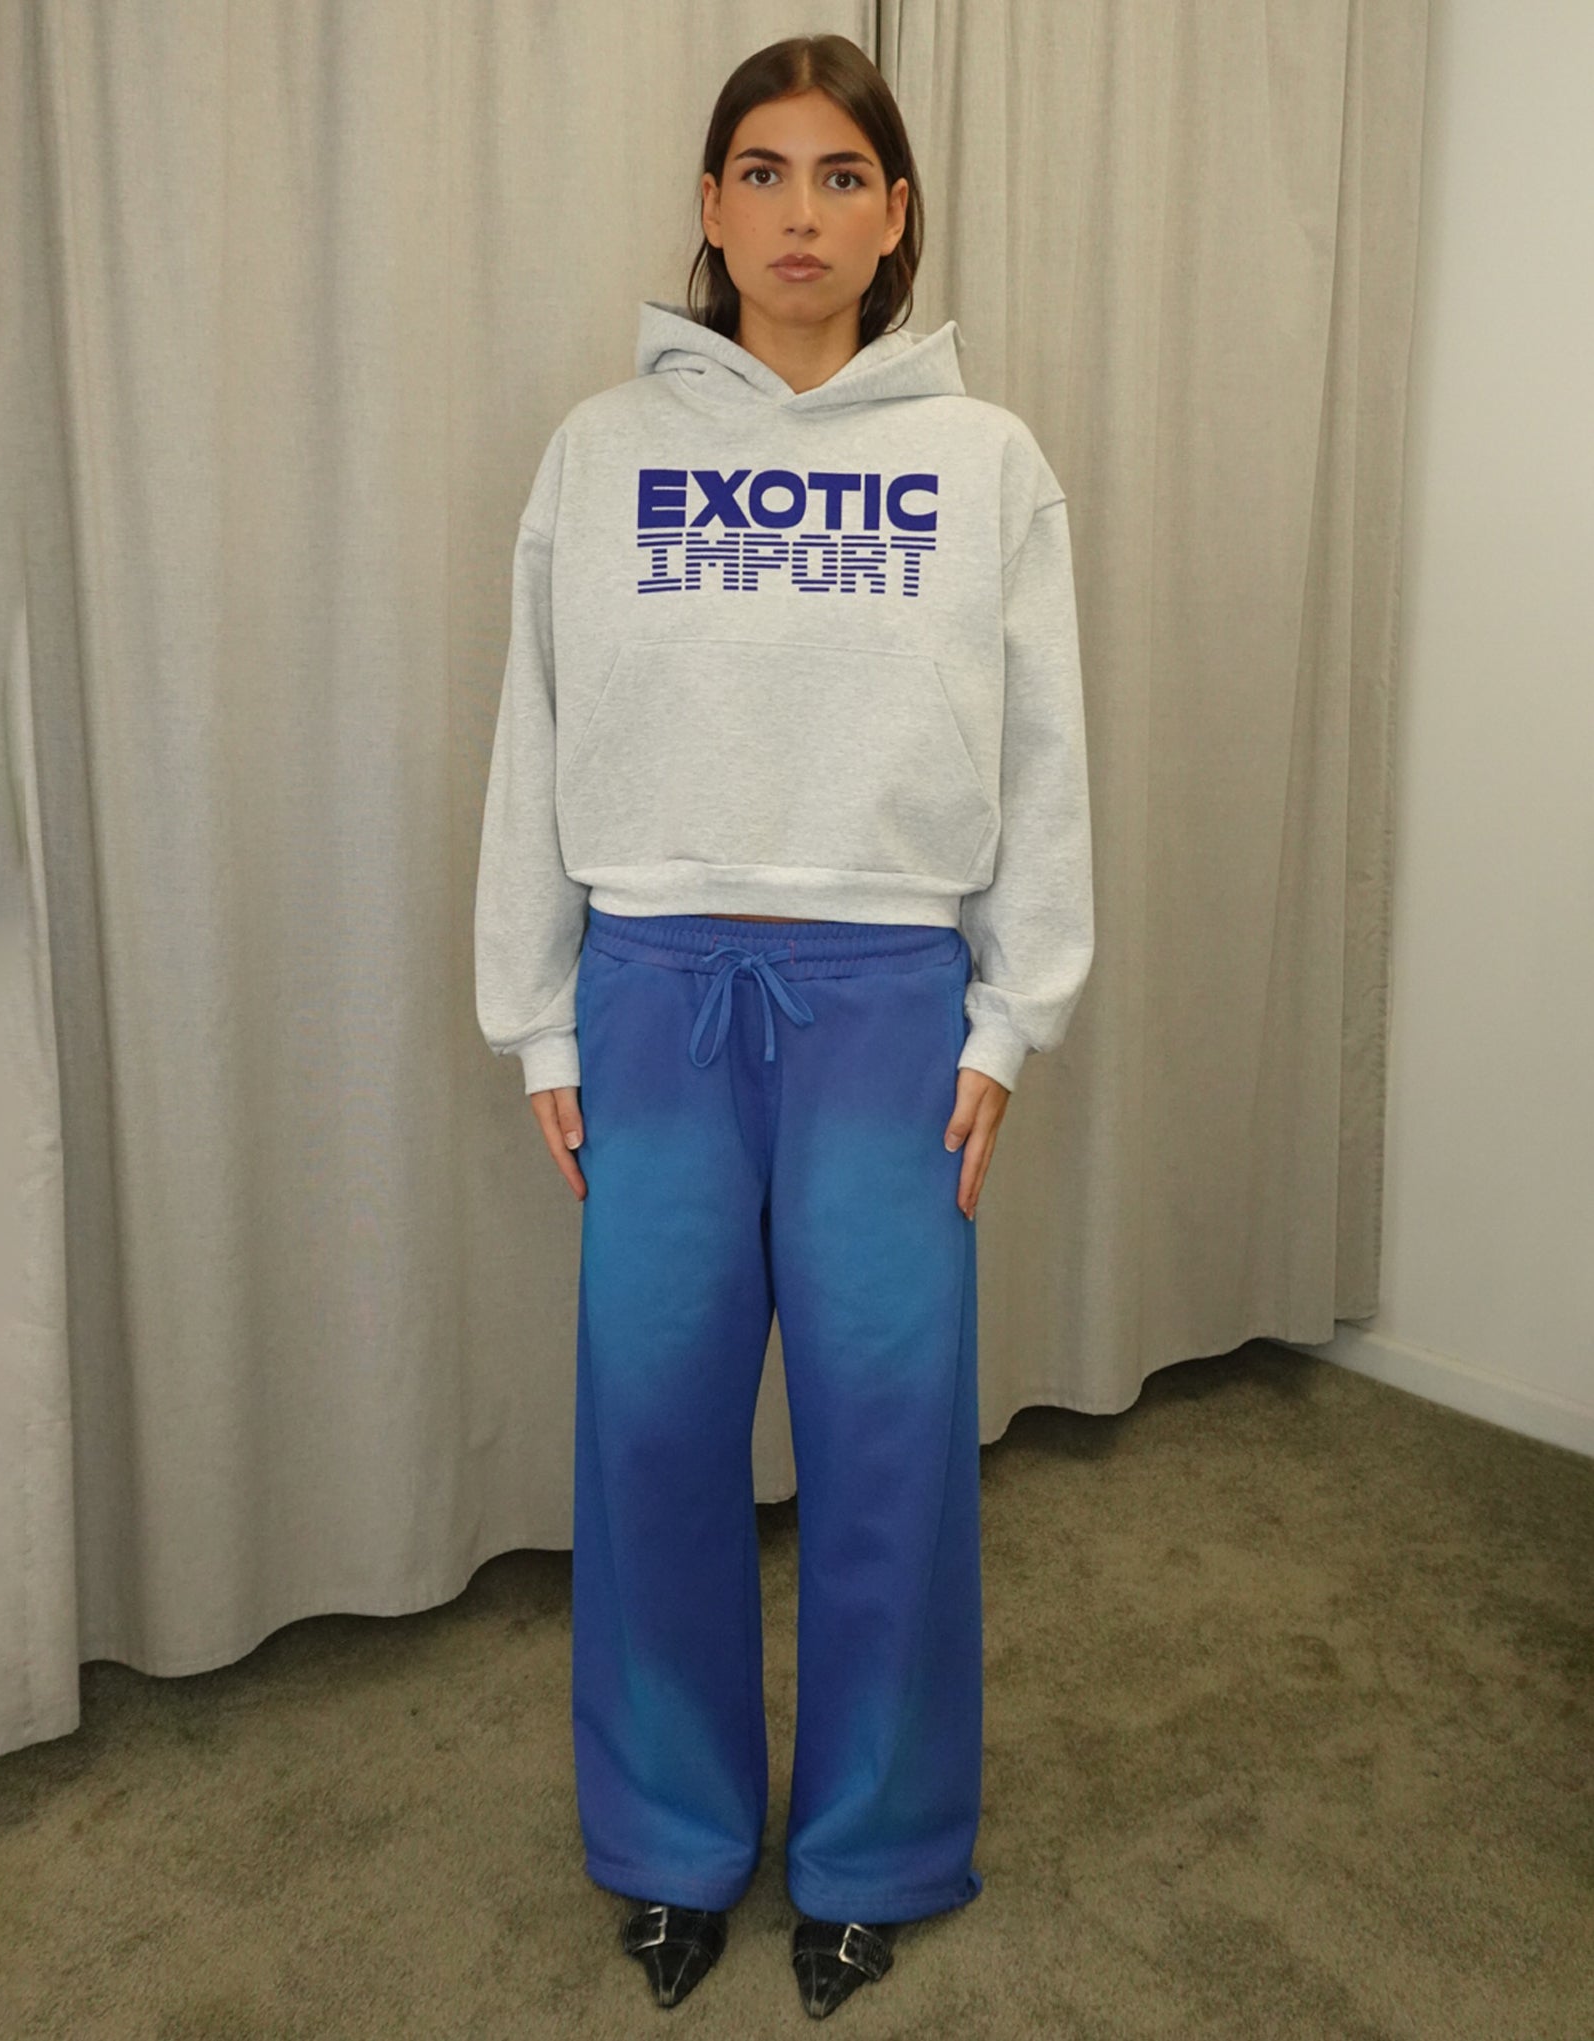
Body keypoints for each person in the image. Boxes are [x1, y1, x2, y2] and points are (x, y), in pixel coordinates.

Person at [474, 32, 1094, 2021]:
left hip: (888, 1007)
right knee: (653, 1432)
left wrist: (1011, 1014)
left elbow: (1044, 749)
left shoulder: (981, 459)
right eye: (762, 172)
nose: (799, 214)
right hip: (653, 993)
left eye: (840, 176)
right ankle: (671, 1843)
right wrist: (539, 1018)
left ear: (895, 213)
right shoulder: (599, 452)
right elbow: (535, 730)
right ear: (712, 204)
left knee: (891, 1439)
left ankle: (874, 1848)